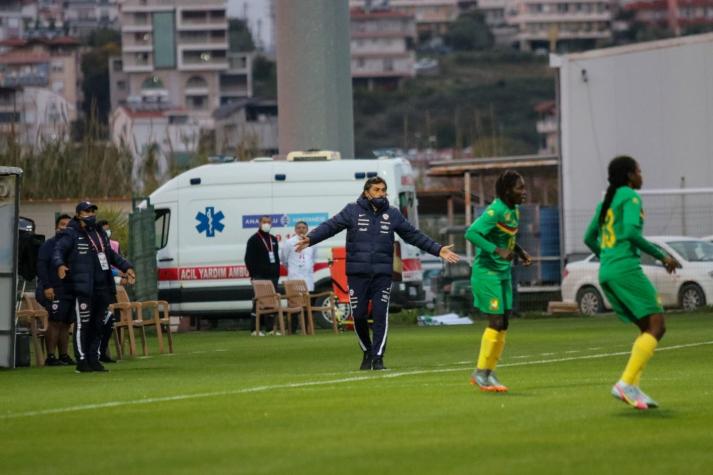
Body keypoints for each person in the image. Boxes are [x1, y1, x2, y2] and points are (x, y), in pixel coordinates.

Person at [296, 177, 459, 370]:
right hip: (357, 274)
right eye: (376, 190)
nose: (381, 193)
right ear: (366, 192)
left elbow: (413, 235)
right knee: (358, 316)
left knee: (381, 314)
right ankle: (367, 350)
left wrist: (438, 249)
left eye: (383, 190)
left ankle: (378, 357)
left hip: (382, 275)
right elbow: (331, 226)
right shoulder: (352, 211)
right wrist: (311, 238)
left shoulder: (393, 214)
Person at [584, 156, 680, 410]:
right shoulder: (630, 197)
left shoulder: (607, 200)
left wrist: (606, 256)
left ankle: (632, 387)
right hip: (625, 269)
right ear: (629, 175)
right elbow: (629, 233)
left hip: (607, 271)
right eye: (639, 170)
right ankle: (626, 383)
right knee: (658, 325)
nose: (642, 175)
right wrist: (662, 256)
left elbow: (588, 237)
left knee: (646, 327)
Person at [465, 170, 531, 393]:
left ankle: (489, 372)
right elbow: (472, 233)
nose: (524, 192)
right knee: (495, 322)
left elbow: (507, 237)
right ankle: (481, 373)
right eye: (519, 188)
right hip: (487, 273)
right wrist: (497, 250)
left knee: (504, 323)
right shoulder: (495, 210)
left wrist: (519, 252)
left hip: (503, 273)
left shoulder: (514, 211)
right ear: (506, 191)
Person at [52, 201, 136, 373]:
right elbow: (58, 251)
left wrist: (127, 267)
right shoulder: (71, 233)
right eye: (86, 211)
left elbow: (111, 255)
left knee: (98, 324)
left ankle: (93, 358)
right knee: (83, 324)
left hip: (103, 286)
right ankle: (82, 360)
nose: (90, 214)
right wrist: (60, 264)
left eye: (92, 211)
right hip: (83, 287)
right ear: (78, 215)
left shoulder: (100, 232)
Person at [35, 213, 74, 366]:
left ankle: (63, 355)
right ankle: (50, 356)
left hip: (68, 290)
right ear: (56, 227)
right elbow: (41, 266)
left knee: (66, 323)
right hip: (53, 288)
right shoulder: (49, 245)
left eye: (68, 225)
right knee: (55, 321)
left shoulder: (72, 245)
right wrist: (47, 286)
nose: (65, 227)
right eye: (62, 224)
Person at [245, 215, 280, 336]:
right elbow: (248, 259)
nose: (267, 224)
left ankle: (270, 329)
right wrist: (254, 275)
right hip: (259, 276)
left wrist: (277, 273)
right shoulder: (253, 239)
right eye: (264, 222)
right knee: (258, 302)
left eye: (269, 222)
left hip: (273, 277)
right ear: (259, 223)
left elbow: (276, 258)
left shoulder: (273, 239)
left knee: (271, 302)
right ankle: (255, 329)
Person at [96, 219, 122, 363]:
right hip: (99, 291)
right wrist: (119, 276)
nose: (107, 233)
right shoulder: (94, 248)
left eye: (108, 230)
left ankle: (102, 351)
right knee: (100, 322)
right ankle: (95, 352)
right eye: (104, 230)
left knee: (110, 321)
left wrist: (125, 271)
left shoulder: (111, 247)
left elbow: (116, 263)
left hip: (109, 289)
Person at [280, 221, 317, 291]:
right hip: (294, 277)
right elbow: (284, 259)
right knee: (295, 299)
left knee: (307, 300)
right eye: (299, 228)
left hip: (307, 278)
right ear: (295, 230)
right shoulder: (289, 242)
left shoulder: (312, 242)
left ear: (307, 229)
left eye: (303, 228)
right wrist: (292, 268)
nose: (301, 229)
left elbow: (314, 258)